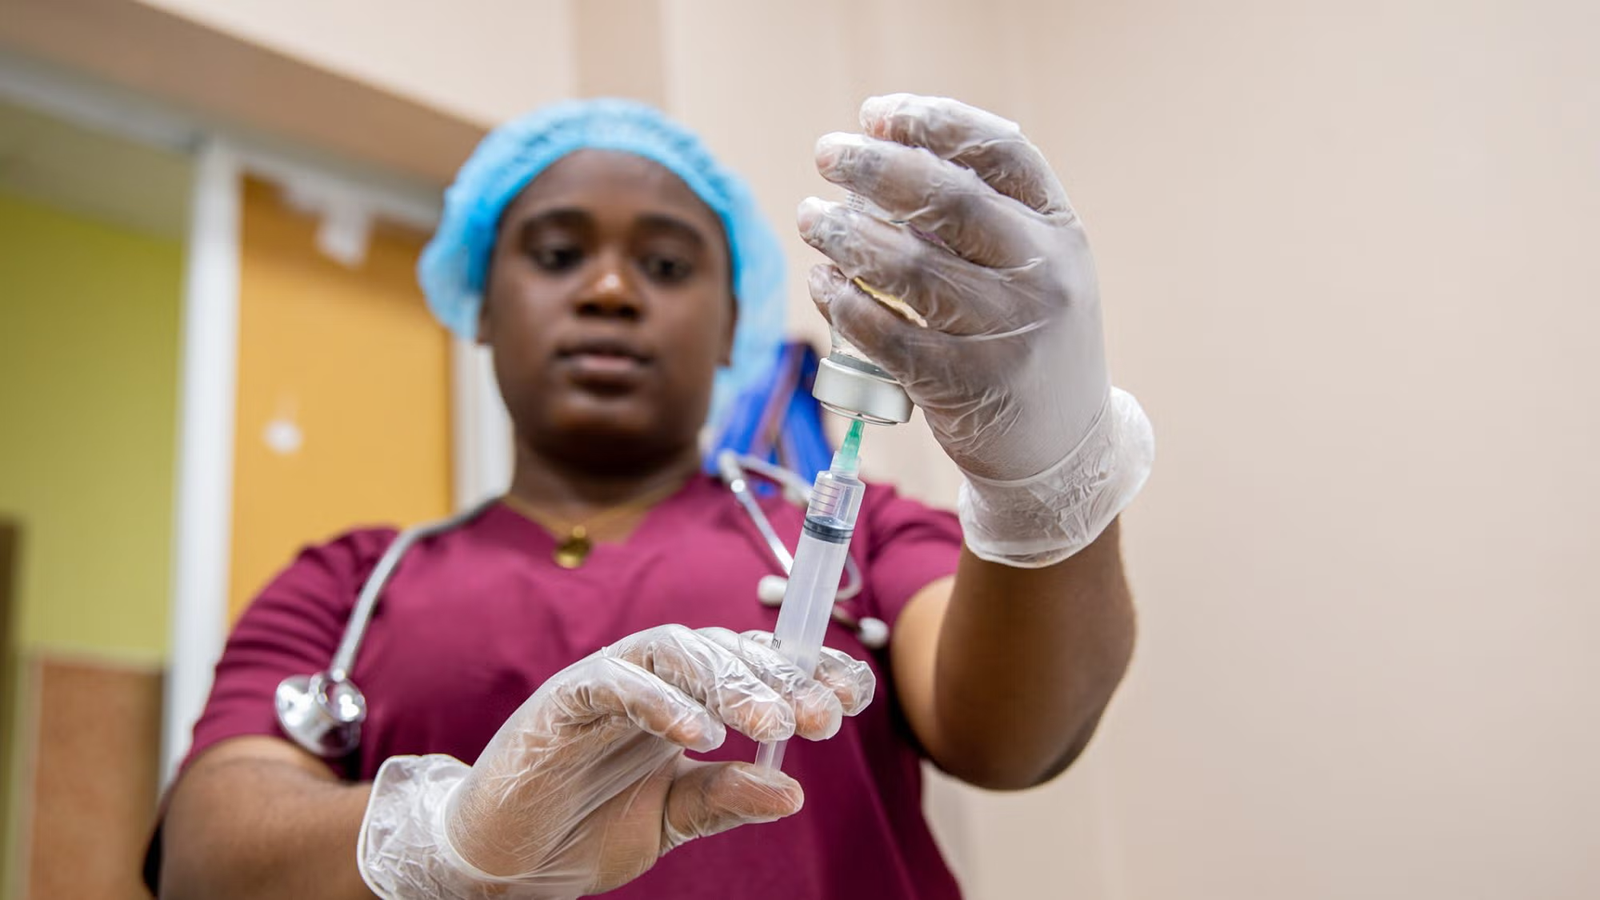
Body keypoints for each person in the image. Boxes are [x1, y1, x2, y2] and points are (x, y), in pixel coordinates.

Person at [147, 94, 1154, 899]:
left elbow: (1018, 738)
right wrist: (450, 839)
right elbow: (205, 855)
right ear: (482, 308)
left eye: (667, 265)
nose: (612, 292)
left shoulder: (857, 530)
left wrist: (1045, 487)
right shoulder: (355, 580)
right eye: (555, 254)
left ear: (729, 328)